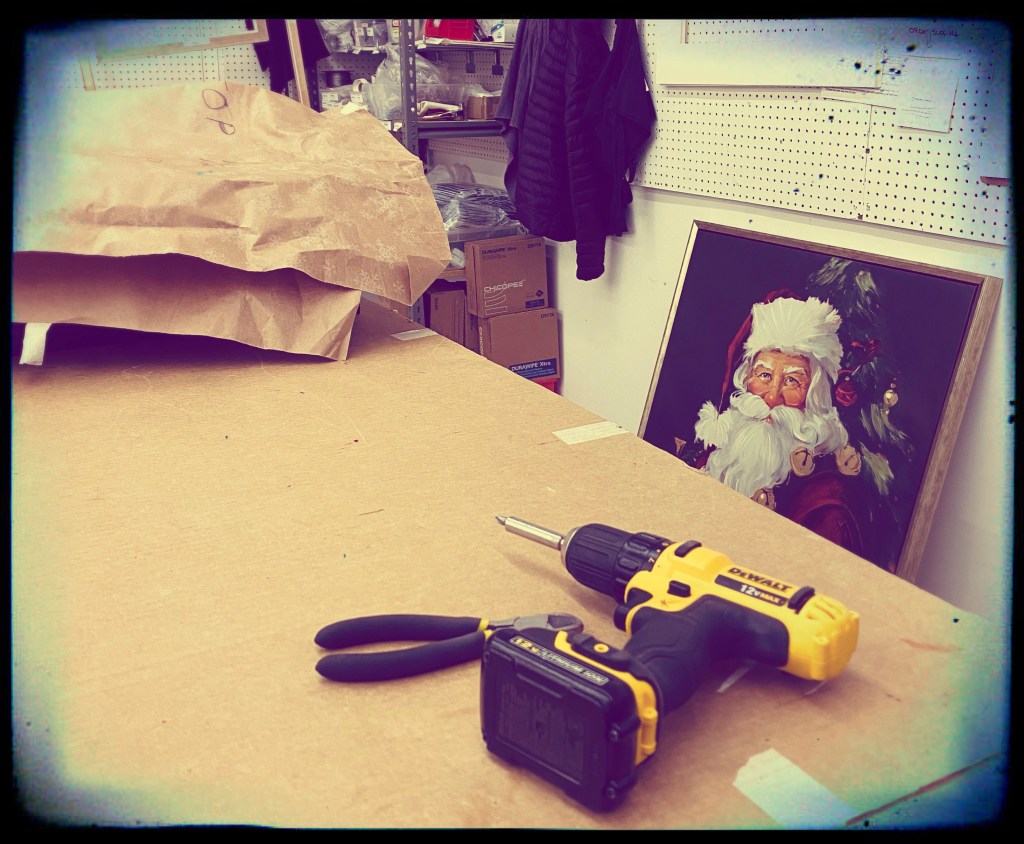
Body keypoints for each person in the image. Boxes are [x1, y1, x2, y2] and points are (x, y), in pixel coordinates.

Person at [688, 296, 867, 554]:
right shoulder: (714, 459)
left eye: (792, 381)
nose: (772, 398)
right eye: (764, 375)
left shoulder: (824, 510)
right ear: (746, 379)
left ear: (814, 398)